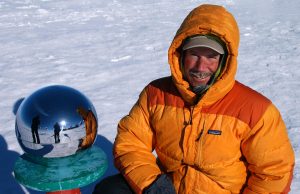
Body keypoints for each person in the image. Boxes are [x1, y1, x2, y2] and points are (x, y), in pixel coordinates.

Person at [93, 4, 295, 194]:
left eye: (211, 57)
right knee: (110, 189)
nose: (200, 67)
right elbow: (131, 143)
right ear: (180, 55)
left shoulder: (255, 109)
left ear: (225, 61)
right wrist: (154, 185)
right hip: (170, 188)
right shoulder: (156, 93)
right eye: (194, 54)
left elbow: (274, 173)